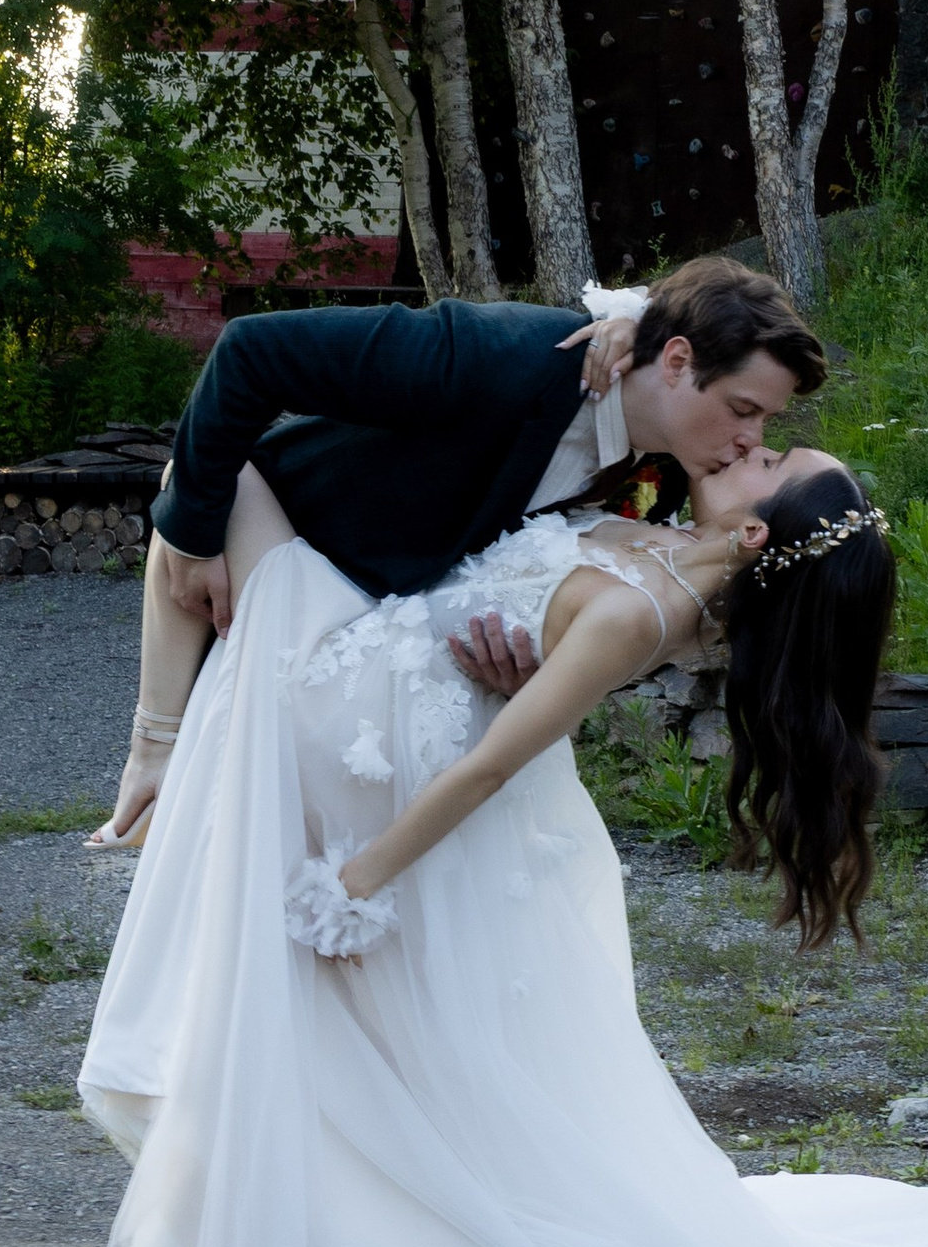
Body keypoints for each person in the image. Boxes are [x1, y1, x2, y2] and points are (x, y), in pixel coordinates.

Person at [76, 442, 928, 1247]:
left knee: (367, 1025)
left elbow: (493, 762)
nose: (747, 450)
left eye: (768, 463)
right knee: (213, 472)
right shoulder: (650, 535)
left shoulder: (645, 608)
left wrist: (360, 881)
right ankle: (314, 1216)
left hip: (405, 761)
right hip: (380, 688)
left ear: (758, 538)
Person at [93, 255, 823, 851]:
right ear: (675, 360)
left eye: (763, 420)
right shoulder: (493, 356)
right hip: (288, 547)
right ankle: (153, 758)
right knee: (189, 493)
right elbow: (252, 351)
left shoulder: (662, 473)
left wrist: (535, 666)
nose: (752, 440)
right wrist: (190, 532)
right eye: (743, 410)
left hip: (389, 634)